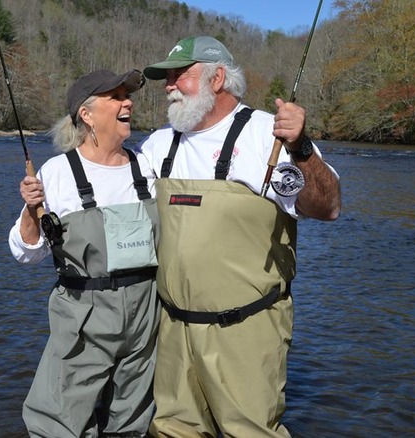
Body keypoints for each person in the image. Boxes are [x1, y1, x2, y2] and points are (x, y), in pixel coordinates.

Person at [136, 36, 342, 437]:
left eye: (180, 75)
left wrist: (301, 148)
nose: (169, 85)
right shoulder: (159, 144)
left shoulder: (269, 135)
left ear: (217, 79)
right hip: (173, 331)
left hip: (246, 330)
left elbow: (326, 207)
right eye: (167, 77)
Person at [8, 69, 160, 438]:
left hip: (146, 313)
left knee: (132, 421)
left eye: (128, 95)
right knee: (58, 422)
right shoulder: (57, 173)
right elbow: (26, 253)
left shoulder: (147, 165)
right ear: (86, 114)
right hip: (83, 313)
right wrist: (32, 211)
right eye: (116, 96)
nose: (128, 102)